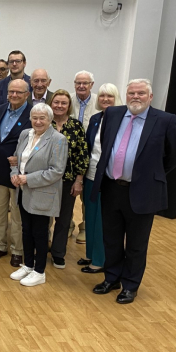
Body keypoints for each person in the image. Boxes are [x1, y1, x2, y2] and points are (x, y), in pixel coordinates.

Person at [91, 79, 176, 304]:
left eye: (141, 93)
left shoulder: (165, 120)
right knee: (111, 239)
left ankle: (130, 285)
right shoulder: (112, 114)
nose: (135, 96)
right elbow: (107, 144)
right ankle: (111, 277)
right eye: (131, 92)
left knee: (136, 243)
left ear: (150, 97)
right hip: (112, 188)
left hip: (143, 192)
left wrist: (151, 174)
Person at [8, 103, 68, 287]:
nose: (38, 121)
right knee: (26, 231)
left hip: (42, 193)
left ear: (50, 120)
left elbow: (57, 171)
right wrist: (14, 174)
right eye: (35, 117)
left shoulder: (58, 139)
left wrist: (26, 179)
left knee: (40, 233)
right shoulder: (26, 134)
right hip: (23, 192)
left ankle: (40, 271)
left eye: (42, 118)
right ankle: (28, 265)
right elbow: (16, 158)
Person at [0, 79, 32, 267]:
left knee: (17, 215)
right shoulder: (1, 109)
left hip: (18, 173)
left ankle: (17, 250)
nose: (14, 95)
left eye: (18, 93)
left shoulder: (33, 114)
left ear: (27, 95)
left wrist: (20, 159)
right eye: (11, 92)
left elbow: (36, 144)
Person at [78, 83, 121, 273]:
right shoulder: (96, 119)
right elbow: (89, 147)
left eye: (110, 96)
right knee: (90, 215)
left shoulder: (122, 120)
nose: (105, 99)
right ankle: (90, 254)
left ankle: (100, 260)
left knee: (102, 219)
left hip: (108, 177)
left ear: (116, 98)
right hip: (90, 173)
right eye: (102, 96)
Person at [47, 89, 89, 269]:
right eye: (56, 102)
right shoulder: (43, 123)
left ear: (69, 106)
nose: (59, 106)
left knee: (63, 219)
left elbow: (82, 155)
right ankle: (41, 249)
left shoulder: (76, 126)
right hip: (44, 179)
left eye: (64, 103)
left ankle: (58, 253)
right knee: (42, 217)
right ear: (51, 104)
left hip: (68, 180)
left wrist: (79, 180)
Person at [70, 70, 100, 245]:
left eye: (85, 83)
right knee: (67, 193)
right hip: (70, 156)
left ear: (91, 85)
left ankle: (85, 227)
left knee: (87, 195)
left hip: (91, 155)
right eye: (78, 83)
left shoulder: (99, 101)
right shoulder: (68, 101)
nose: (81, 86)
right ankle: (67, 224)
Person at [0, 50, 31, 115]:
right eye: (11, 62)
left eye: (18, 61)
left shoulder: (32, 84)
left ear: (24, 63)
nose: (14, 64)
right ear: (8, 65)